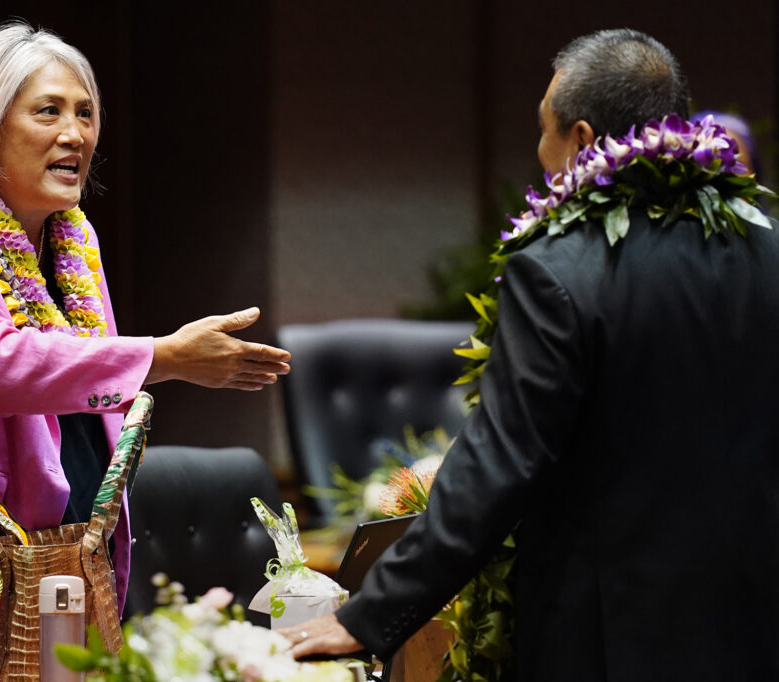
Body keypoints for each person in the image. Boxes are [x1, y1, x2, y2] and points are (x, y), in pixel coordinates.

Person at [282, 29, 779, 681]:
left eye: (542, 132)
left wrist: (369, 615)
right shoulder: (767, 249)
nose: (539, 154)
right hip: (756, 626)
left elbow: (499, 464)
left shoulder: (558, 271)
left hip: (610, 638)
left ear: (581, 141)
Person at [0, 22, 291, 681]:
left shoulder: (73, 242)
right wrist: (164, 358)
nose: (75, 134)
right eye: (48, 111)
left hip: (59, 573)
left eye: (85, 113)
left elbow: (76, 398)